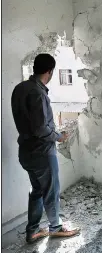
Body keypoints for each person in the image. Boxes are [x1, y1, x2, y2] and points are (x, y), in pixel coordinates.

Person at [11, 53, 80, 243]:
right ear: (50, 71)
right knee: (51, 190)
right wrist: (59, 136)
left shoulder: (20, 88)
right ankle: (56, 227)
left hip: (26, 151)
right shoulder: (38, 93)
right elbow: (41, 129)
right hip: (42, 152)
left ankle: (33, 230)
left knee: (37, 190)